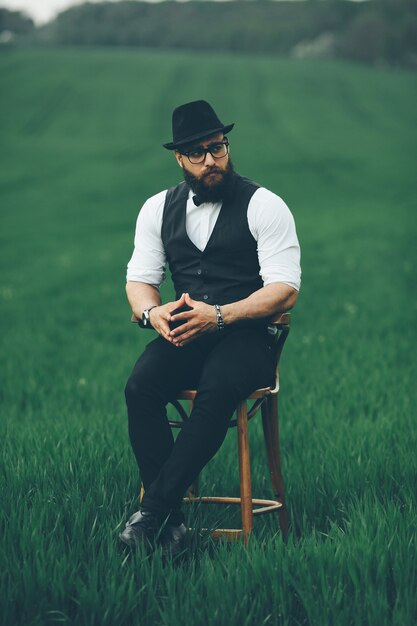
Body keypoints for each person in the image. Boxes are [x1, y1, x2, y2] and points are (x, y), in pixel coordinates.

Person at [121, 100, 301, 556]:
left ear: (227, 145)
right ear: (179, 158)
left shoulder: (265, 204)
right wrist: (151, 314)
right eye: (197, 153)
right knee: (140, 386)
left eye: (217, 147)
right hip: (187, 334)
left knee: (219, 388)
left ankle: (152, 514)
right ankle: (172, 526)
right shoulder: (156, 208)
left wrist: (220, 315)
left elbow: (284, 290)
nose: (211, 160)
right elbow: (140, 280)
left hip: (248, 338)